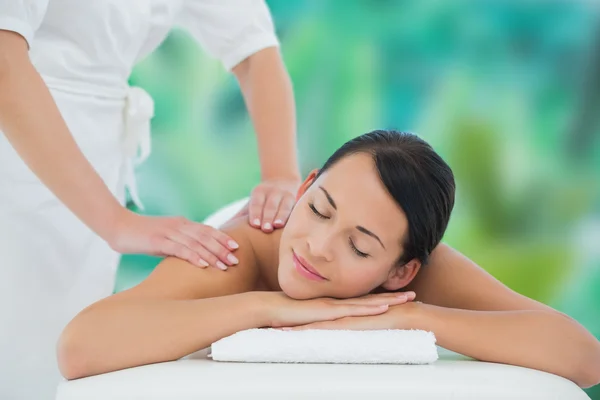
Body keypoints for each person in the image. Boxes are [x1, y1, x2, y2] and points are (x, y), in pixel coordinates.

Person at [58, 130, 600, 389]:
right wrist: (262, 308)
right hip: (255, 244)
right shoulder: (233, 253)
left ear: (401, 271)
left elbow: (583, 355)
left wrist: (413, 317)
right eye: (320, 208)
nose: (319, 246)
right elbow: (81, 347)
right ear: (308, 185)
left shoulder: (414, 275)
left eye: (360, 246)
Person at [0, 1, 299, 399]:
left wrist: (282, 177)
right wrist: (115, 221)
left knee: (50, 358)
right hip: (19, 145)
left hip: (96, 160)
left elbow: (254, 49)